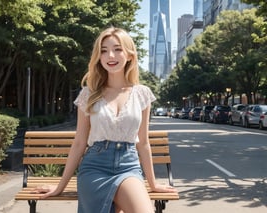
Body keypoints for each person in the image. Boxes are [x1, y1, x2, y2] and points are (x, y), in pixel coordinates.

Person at [34, 26, 177, 213]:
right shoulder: (89, 94)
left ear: (130, 55)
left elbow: (143, 143)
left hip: (128, 167)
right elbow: (79, 143)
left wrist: (153, 184)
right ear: (98, 57)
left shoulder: (142, 94)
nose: (110, 55)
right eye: (104, 51)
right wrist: (60, 187)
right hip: (94, 167)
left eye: (117, 49)